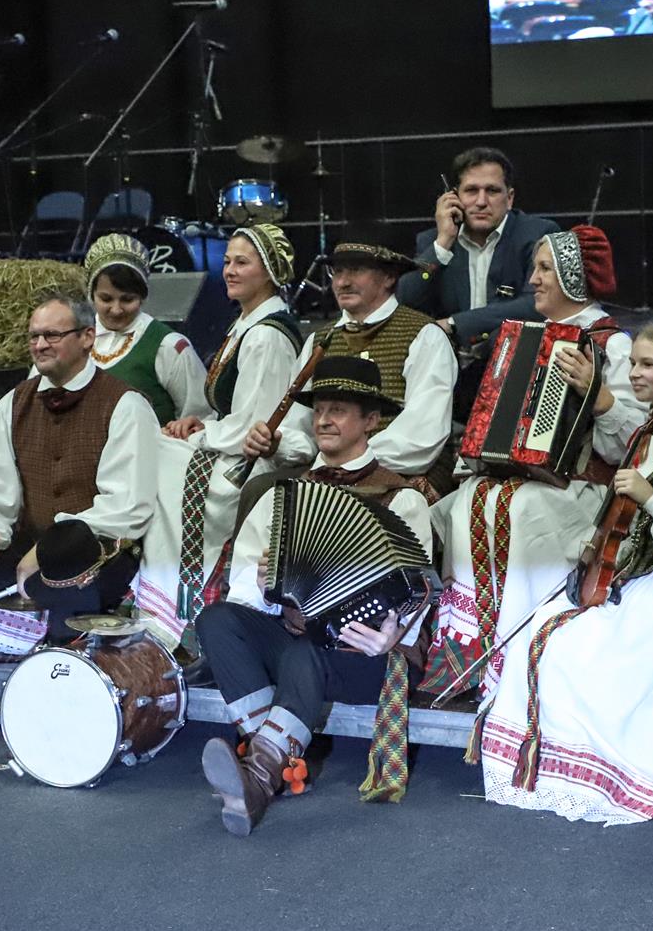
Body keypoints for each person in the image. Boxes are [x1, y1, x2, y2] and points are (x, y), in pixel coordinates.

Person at [477, 321, 653, 824]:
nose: (634, 373)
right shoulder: (650, 429)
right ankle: (542, 763)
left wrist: (650, 497)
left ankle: (608, 769)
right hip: (633, 574)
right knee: (538, 630)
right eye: (632, 363)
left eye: (648, 364)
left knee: (580, 650)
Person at [196, 356, 434, 836]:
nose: (323, 419)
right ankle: (268, 767)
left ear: (371, 421)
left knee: (307, 651)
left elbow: (419, 591)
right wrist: (265, 585)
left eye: (338, 410)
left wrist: (392, 634)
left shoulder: (402, 498)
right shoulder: (280, 495)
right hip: (295, 638)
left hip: (366, 655)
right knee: (216, 621)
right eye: (319, 409)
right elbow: (243, 586)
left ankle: (259, 773)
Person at [0, 293, 157, 756]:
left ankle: (59, 710)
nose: (40, 344)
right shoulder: (14, 404)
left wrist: (48, 549)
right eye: (34, 336)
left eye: (52, 335)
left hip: (99, 552)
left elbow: (127, 507)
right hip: (30, 545)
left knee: (66, 571)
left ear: (87, 338)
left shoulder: (126, 405)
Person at [420, 226, 645, 702]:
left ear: (573, 277)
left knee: (521, 509)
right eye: (535, 269)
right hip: (529, 481)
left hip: (586, 484)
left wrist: (599, 396)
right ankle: (470, 652)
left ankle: (525, 649)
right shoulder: (522, 337)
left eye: (545, 270)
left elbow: (635, 442)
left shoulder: (611, 344)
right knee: (471, 498)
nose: (533, 281)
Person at [133, 224, 304, 650]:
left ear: (270, 271)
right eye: (227, 261)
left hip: (251, 463)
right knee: (155, 448)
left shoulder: (266, 335)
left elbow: (254, 425)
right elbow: (231, 411)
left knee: (158, 462)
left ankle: (173, 608)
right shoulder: (246, 324)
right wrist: (200, 422)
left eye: (242, 262)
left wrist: (203, 433)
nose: (229, 270)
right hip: (232, 444)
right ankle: (154, 594)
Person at [255, 228, 458, 501]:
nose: (342, 282)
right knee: (259, 491)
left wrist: (351, 461)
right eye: (337, 272)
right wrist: (278, 444)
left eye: (356, 270)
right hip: (329, 469)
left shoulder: (424, 335)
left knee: (353, 504)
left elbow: (422, 435)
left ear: (389, 277)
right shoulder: (319, 340)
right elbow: (300, 428)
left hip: (404, 470)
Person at [397, 147, 559, 349]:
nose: (481, 202)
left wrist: (454, 323)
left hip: (509, 355)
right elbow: (405, 301)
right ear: (454, 197)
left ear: (509, 198)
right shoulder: (432, 241)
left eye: (492, 191)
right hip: (449, 358)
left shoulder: (537, 235)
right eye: (471, 191)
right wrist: (443, 242)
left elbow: (537, 304)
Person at [83, 233, 211, 426]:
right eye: (106, 299)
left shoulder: (169, 346)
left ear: (143, 297)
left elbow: (199, 419)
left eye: (127, 300)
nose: (116, 309)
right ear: (91, 295)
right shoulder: (74, 340)